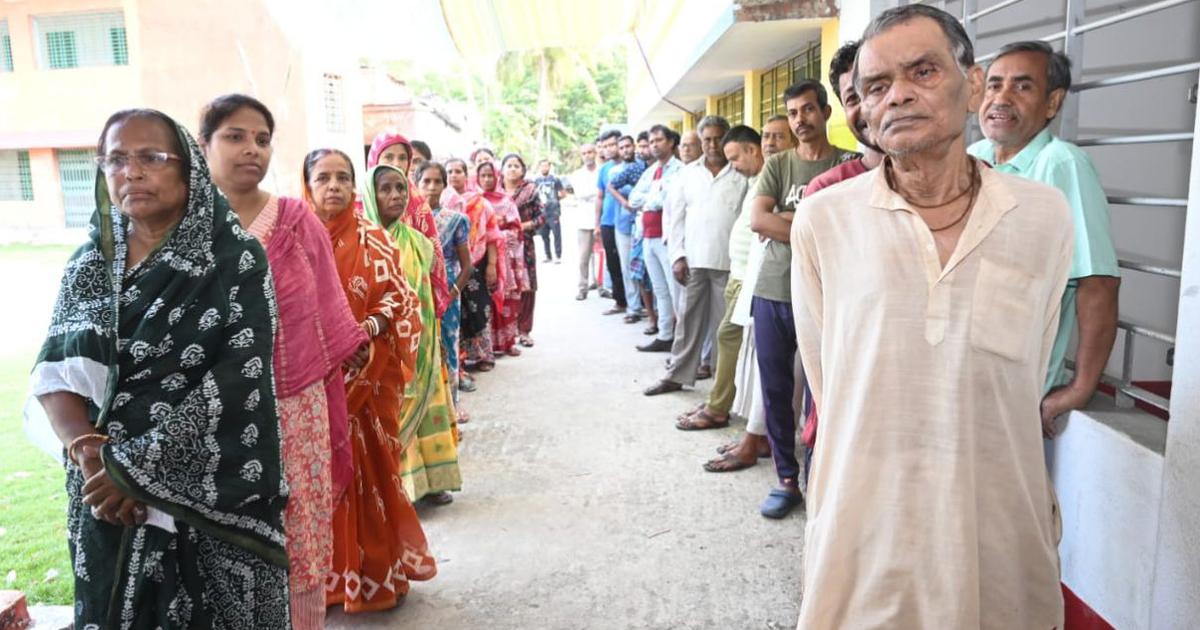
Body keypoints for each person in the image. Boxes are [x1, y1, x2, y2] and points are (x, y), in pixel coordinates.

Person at [790, 5, 1073, 626]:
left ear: (971, 85)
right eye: (876, 87)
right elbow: (830, 378)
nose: (899, 97)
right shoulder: (825, 220)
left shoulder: (1043, 215)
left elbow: (1029, 364)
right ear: (860, 109)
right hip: (867, 529)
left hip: (995, 519)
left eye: (923, 71)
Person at [30, 108, 289, 627]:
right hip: (101, 494)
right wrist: (91, 457)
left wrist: (136, 471)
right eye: (116, 160)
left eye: (151, 157)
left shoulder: (234, 259)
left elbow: (238, 380)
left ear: (188, 167)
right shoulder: (88, 265)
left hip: (210, 494)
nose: (132, 172)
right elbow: (55, 372)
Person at [200, 94, 365, 629]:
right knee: (218, 535)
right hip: (206, 413)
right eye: (234, 136)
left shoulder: (296, 221)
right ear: (203, 144)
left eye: (263, 139)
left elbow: (327, 314)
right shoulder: (182, 224)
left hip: (294, 408)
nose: (252, 149)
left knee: (298, 533)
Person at [303, 148, 437, 613]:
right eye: (323, 178)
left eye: (343, 177)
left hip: (370, 372)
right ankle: (329, 580)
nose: (334, 186)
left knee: (373, 473)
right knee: (322, 480)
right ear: (308, 185)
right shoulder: (295, 240)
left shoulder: (376, 240)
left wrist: (367, 332)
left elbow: (399, 299)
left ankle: (380, 573)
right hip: (313, 379)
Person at [968, 40, 1120, 436]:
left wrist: (1080, 388)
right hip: (964, 381)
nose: (1001, 98)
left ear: (1052, 103)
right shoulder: (975, 158)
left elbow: (1097, 283)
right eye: (994, 85)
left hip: (1015, 394)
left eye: (1022, 86)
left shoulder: (1061, 164)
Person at [750, 79, 858, 519]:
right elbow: (758, 220)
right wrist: (815, 225)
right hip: (774, 287)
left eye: (808, 110)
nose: (800, 121)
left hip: (827, 294)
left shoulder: (848, 164)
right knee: (775, 389)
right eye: (792, 113)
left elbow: (850, 228)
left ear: (825, 112)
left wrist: (788, 221)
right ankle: (786, 479)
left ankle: (822, 477)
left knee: (823, 389)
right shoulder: (778, 164)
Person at [789, 39, 887, 457]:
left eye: (879, 88)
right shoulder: (826, 194)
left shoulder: (980, 189)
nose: (873, 106)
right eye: (855, 96)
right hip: (845, 413)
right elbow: (815, 329)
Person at [364, 164, 463, 506]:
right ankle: (400, 487)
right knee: (391, 414)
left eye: (401, 189)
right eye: (386, 189)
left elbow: (430, 295)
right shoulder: (363, 242)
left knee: (429, 410)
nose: (395, 196)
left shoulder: (421, 243)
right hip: (386, 349)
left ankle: (435, 481)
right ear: (369, 196)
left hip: (424, 346)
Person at [707, 118, 800, 473]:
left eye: (779, 136)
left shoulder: (787, 174)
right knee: (754, 363)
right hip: (751, 277)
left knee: (767, 367)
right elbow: (763, 221)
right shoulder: (764, 176)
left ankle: (756, 437)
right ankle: (756, 435)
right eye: (767, 136)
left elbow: (772, 222)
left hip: (771, 279)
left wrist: (785, 220)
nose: (771, 142)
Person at [644, 115, 747, 396]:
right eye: (707, 139)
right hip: (694, 262)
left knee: (725, 329)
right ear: (701, 142)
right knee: (688, 324)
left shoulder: (741, 173)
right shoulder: (687, 175)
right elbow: (673, 218)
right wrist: (677, 256)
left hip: (730, 265)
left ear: (727, 138)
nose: (713, 144)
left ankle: (723, 385)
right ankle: (677, 375)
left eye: (718, 138)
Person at [676, 126, 763, 440]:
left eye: (736, 158)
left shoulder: (763, 177)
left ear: (751, 150)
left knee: (728, 335)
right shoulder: (753, 178)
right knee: (727, 337)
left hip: (748, 275)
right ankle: (721, 403)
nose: (734, 166)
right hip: (736, 271)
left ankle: (719, 407)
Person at [367, 132, 451, 319]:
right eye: (389, 156)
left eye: (403, 157)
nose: (396, 163)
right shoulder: (360, 203)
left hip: (414, 295)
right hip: (369, 294)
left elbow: (433, 255)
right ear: (375, 158)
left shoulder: (419, 205)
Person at [420, 161, 475, 412]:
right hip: (418, 295)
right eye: (426, 181)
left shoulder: (456, 220)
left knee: (448, 350)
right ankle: (428, 415)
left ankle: (452, 411)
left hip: (448, 294)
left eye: (437, 182)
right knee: (423, 354)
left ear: (444, 185)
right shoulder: (407, 221)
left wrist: (451, 294)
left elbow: (467, 266)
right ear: (417, 184)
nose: (431, 187)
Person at [631, 125, 684, 352]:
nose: (654, 145)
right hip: (648, 237)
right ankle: (665, 335)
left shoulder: (679, 169)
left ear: (671, 142)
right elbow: (634, 198)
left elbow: (669, 199)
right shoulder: (652, 170)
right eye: (651, 141)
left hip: (668, 238)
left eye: (659, 140)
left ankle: (683, 342)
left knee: (677, 292)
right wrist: (656, 194)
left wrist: (652, 197)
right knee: (660, 290)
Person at [447, 158, 502, 374]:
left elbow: (491, 236)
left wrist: (492, 265)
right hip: (451, 267)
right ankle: (460, 360)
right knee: (457, 313)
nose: (454, 175)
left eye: (458, 171)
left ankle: (484, 356)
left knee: (480, 311)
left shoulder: (481, 203)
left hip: (475, 264)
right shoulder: (442, 202)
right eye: (449, 171)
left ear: (466, 174)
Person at [478, 160, 528, 356]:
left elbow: (516, 229)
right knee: (484, 302)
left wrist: (497, 234)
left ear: (497, 176)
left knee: (507, 300)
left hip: (505, 260)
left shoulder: (506, 201)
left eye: (491, 175)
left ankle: (507, 343)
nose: (487, 179)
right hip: (481, 257)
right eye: (483, 175)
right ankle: (487, 347)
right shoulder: (473, 200)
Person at [500, 153, 546, 347]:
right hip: (499, 246)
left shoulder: (531, 190)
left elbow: (542, 217)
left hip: (523, 245)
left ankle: (524, 330)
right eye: (508, 165)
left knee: (527, 286)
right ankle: (505, 332)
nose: (512, 169)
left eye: (516, 165)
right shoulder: (494, 189)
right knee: (504, 286)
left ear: (523, 170)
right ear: (502, 169)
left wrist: (521, 226)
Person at [609, 134, 648, 322]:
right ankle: (633, 308)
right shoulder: (616, 170)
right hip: (624, 224)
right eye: (621, 147)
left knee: (647, 266)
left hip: (644, 223)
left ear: (634, 147)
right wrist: (625, 203)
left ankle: (651, 308)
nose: (625, 150)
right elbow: (610, 187)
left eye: (628, 146)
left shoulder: (644, 166)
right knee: (627, 268)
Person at [595, 129, 627, 315]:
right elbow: (599, 197)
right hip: (607, 221)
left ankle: (637, 303)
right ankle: (620, 301)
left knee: (629, 263)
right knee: (613, 263)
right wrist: (597, 224)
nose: (608, 149)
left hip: (626, 221)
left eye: (612, 144)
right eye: (605, 146)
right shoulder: (604, 169)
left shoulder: (633, 165)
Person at [567, 143, 600, 300]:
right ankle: (582, 287)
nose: (587, 155)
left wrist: (594, 194)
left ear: (595, 153)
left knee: (602, 257)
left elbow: (603, 193)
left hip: (601, 220)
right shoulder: (577, 175)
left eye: (590, 152)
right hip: (584, 220)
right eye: (584, 153)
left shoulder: (602, 171)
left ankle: (602, 285)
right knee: (583, 257)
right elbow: (581, 194)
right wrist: (596, 193)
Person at [534, 158, 566, 263]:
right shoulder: (536, 181)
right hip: (542, 212)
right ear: (539, 167)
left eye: (546, 165)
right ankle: (548, 255)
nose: (544, 168)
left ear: (549, 167)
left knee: (556, 234)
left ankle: (558, 255)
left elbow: (563, 193)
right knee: (544, 235)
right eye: (542, 166)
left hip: (554, 212)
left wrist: (555, 200)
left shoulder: (555, 180)